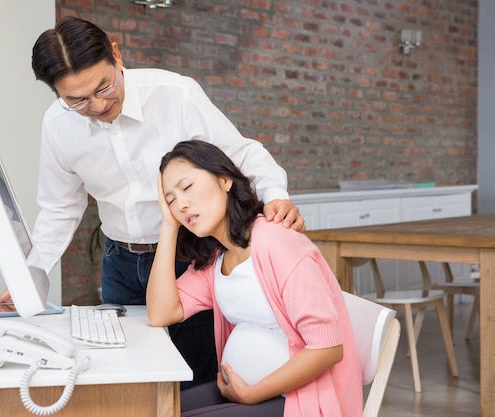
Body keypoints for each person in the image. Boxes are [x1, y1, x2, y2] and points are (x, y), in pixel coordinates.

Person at [0, 16, 304, 389]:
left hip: (188, 256)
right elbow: (61, 207)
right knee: (131, 379)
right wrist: (32, 273)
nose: (96, 105)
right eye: (77, 100)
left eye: (103, 87)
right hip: (120, 264)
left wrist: (277, 197)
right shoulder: (58, 125)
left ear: (117, 55)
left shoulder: (175, 94)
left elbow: (240, 154)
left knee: (193, 378)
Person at [147, 140, 362, 416]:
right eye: (171, 200)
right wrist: (168, 225)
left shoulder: (276, 240)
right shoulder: (216, 258)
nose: (183, 205)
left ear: (224, 179)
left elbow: (328, 348)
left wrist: (251, 394)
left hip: (297, 399)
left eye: (187, 187)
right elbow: (161, 313)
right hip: (243, 393)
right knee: (154, 409)